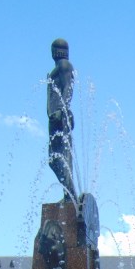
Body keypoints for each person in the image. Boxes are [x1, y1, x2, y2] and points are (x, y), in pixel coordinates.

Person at [47, 38, 76, 197]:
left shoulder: (64, 65)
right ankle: (68, 194)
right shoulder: (58, 67)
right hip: (54, 117)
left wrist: (62, 110)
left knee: (62, 155)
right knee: (53, 159)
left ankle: (70, 194)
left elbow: (68, 89)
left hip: (60, 116)